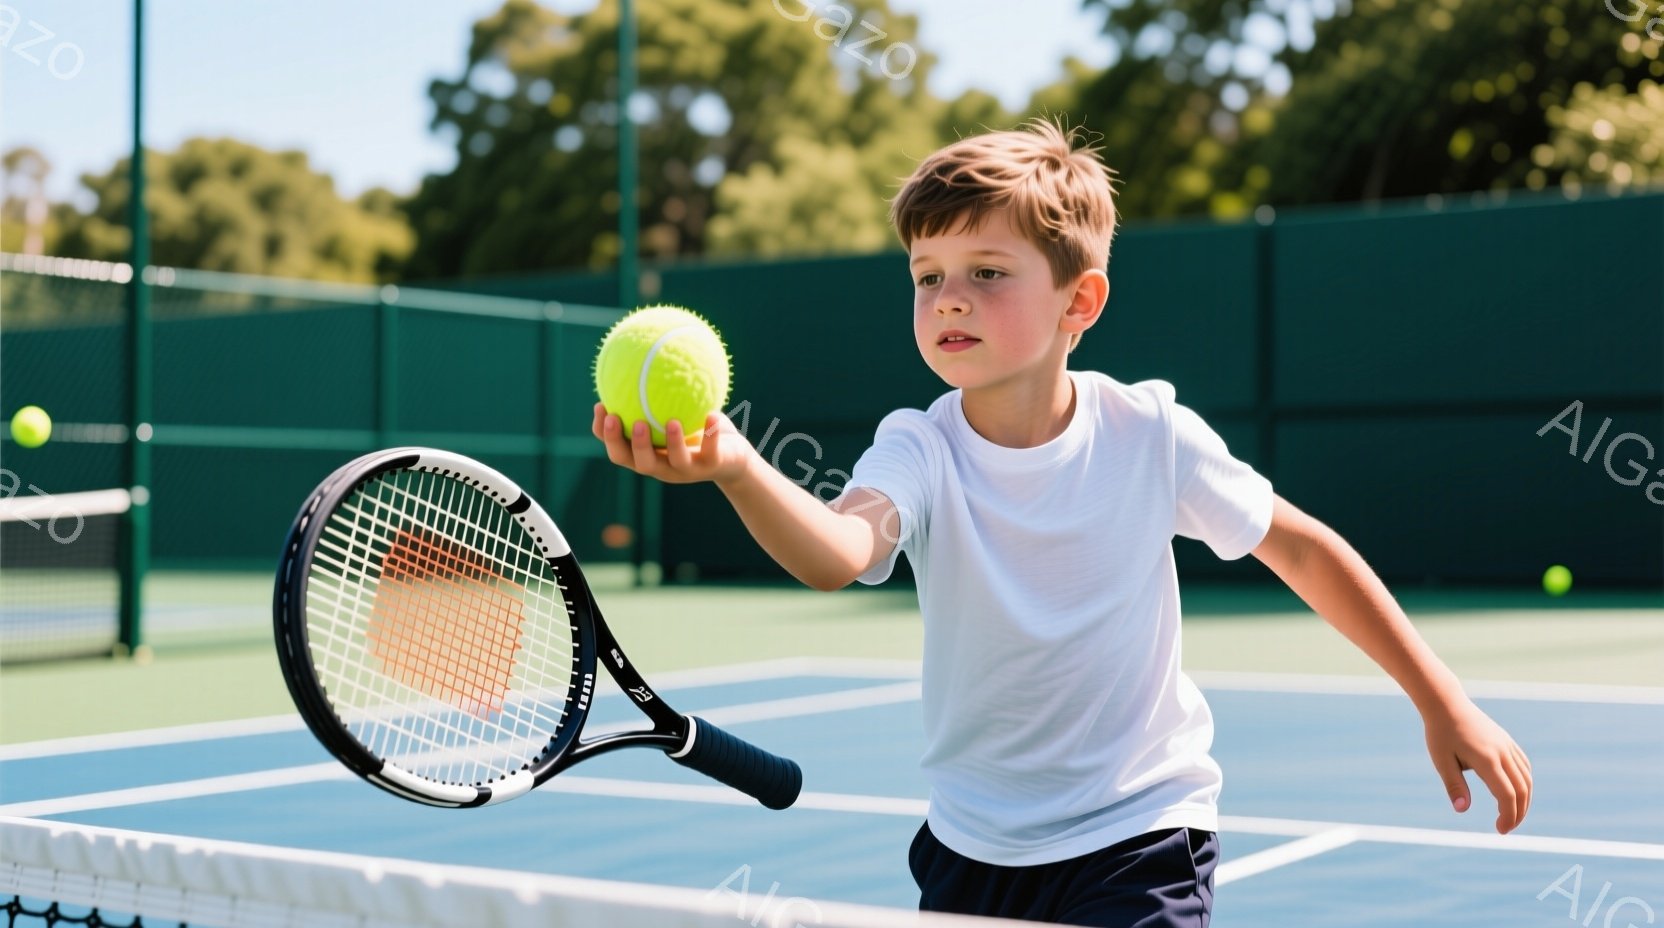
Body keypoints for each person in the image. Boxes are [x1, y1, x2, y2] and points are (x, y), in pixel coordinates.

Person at [591, 118, 1533, 927]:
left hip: (1143, 835)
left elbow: (1301, 547)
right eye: (927, 275)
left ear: (1078, 301)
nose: (948, 297)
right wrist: (738, 467)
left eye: (987, 271)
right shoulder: (916, 447)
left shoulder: (1152, 433)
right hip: (971, 848)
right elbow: (842, 551)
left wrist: (1439, 695)